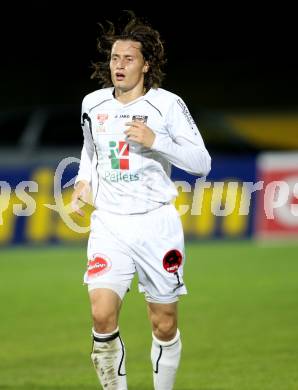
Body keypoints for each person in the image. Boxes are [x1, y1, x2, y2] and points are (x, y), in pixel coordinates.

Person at [71, 11, 211, 390]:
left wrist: (156, 141)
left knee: (163, 322)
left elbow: (201, 163)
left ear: (146, 65)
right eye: (115, 58)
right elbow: (90, 151)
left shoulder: (167, 106)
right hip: (109, 224)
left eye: (129, 58)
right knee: (101, 315)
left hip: (156, 224)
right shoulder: (93, 104)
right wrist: (85, 181)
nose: (119, 65)